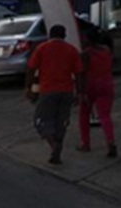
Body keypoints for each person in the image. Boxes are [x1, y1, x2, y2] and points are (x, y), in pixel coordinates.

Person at [26, 25, 84, 165]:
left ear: (49, 35)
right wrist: (80, 92)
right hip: (66, 91)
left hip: (48, 90)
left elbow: (31, 68)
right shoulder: (71, 50)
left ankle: (53, 145)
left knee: (41, 120)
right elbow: (79, 73)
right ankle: (57, 152)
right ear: (64, 35)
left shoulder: (42, 49)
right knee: (61, 122)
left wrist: (29, 88)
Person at [78, 32, 117, 157]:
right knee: (105, 115)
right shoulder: (107, 50)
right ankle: (110, 140)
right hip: (106, 83)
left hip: (91, 84)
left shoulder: (86, 54)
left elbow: (82, 72)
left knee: (84, 113)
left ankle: (86, 143)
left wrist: (81, 91)